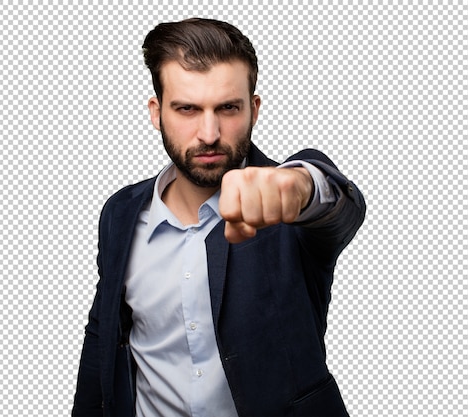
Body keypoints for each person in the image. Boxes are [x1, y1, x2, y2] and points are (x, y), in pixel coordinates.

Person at [72, 18, 365, 417]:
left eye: (227, 108)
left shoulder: (285, 206)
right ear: (157, 113)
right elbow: (102, 339)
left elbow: (340, 208)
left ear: (254, 109)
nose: (209, 133)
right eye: (187, 109)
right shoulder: (119, 214)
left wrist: (302, 185)